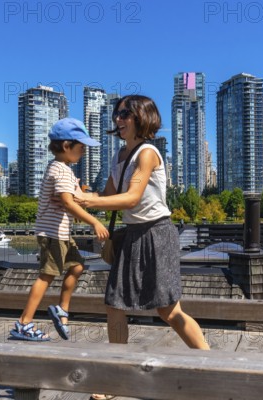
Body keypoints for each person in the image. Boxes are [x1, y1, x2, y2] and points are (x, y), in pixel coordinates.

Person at [76, 95, 210, 352]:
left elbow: (131, 198)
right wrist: (79, 195)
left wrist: (88, 202)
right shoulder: (120, 155)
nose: (118, 118)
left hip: (156, 233)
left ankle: (210, 360)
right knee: (114, 304)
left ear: (141, 117)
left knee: (169, 310)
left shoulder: (147, 153)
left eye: (125, 114)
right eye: (117, 113)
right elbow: (107, 196)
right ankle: (117, 372)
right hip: (131, 234)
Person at [10, 118, 109, 341]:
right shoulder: (61, 171)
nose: (84, 152)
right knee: (46, 276)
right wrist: (94, 222)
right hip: (53, 234)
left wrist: (81, 190)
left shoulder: (60, 169)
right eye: (81, 147)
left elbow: (71, 198)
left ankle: (62, 309)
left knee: (77, 267)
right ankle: (23, 324)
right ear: (66, 146)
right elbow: (68, 203)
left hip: (61, 234)